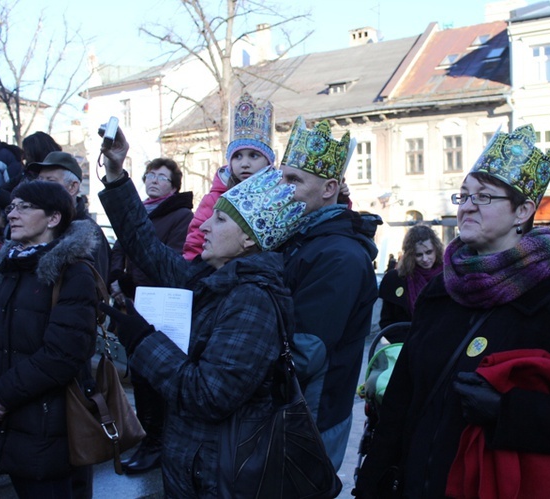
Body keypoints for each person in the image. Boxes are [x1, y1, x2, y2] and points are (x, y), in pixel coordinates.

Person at [355, 124, 550, 498]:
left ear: (522, 211)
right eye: (464, 195)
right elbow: (402, 397)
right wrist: (372, 480)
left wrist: (505, 410)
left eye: (484, 196)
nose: (468, 205)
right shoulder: (442, 288)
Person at [98, 157, 306, 496]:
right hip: (194, 464)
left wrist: (144, 341)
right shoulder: (211, 276)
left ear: (248, 241)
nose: (203, 226)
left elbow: (209, 395)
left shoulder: (253, 300)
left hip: (216, 476)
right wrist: (117, 176)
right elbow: (146, 246)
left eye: (219, 219)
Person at [0, 181, 99, 498]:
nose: (12, 213)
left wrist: (0, 394)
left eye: (25, 207)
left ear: (53, 219)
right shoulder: (10, 268)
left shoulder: (73, 272)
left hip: (51, 424)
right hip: (10, 420)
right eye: (12, 206)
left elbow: (63, 354)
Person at [278, 116, 381, 470]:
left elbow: (305, 354)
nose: (282, 187)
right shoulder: (302, 240)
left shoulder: (340, 256)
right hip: (295, 411)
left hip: (311, 417)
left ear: (328, 188)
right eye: (282, 177)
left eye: (293, 180)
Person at [108, 157, 194, 475]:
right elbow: (120, 246)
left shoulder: (181, 215)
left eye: (162, 176)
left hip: (159, 303)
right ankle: (150, 437)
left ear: (174, 185)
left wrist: (132, 283)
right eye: (150, 175)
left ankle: (157, 441)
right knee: (138, 372)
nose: (153, 180)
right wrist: (116, 277)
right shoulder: (140, 210)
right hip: (132, 300)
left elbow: (169, 257)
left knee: (153, 374)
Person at [183, 92, 275, 260]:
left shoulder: (276, 198)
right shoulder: (214, 199)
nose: (244, 163)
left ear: (268, 162)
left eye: (254, 155)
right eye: (237, 156)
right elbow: (196, 242)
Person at [27, 151, 110, 280]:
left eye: (50, 181)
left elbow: (96, 284)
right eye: (39, 180)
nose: (41, 187)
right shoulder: (34, 224)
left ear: (72, 187)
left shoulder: (90, 234)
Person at [378, 224, 444, 341]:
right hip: (407, 346)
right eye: (418, 255)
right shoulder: (396, 279)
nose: (425, 259)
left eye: (429, 252)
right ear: (410, 255)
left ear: (436, 249)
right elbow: (387, 322)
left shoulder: (449, 275)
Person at [0, 131, 63, 212]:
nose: (24, 157)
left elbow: (30, 204)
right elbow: (7, 187)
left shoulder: (55, 176)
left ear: (37, 152)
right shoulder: (26, 174)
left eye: (27, 153)